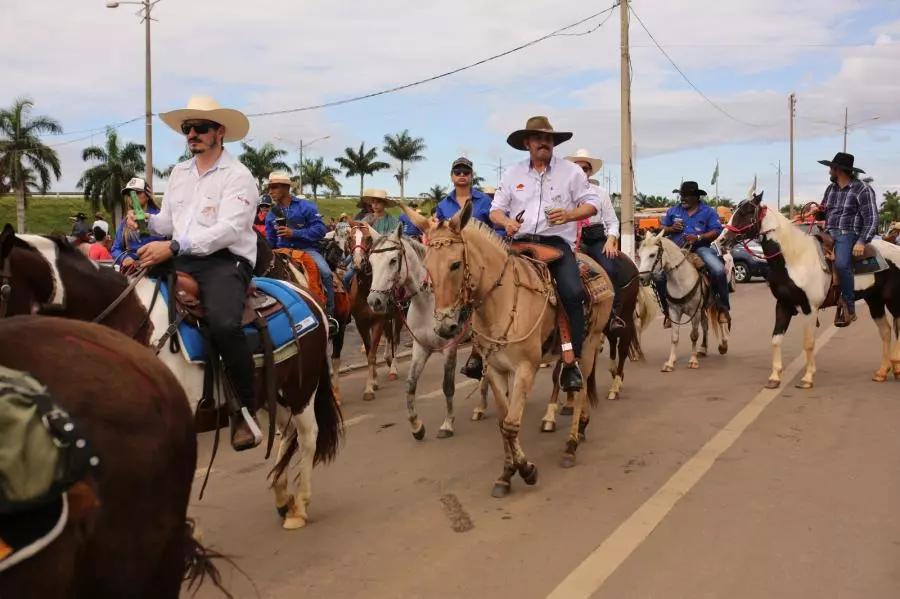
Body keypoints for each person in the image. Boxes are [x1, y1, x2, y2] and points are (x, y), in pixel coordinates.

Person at [127, 95, 261, 451]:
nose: (192, 134)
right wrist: (145, 223)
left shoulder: (239, 176)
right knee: (128, 295)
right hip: (183, 256)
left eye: (200, 128)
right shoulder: (180, 173)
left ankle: (245, 409)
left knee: (223, 323)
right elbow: (168, 223)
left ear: (220, 132)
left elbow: (230, 230)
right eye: (188, 129)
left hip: (225, 261)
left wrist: (171, 247)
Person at [489, 116, 601, 391]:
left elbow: (592, 203)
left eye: (548, 139)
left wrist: (570, 214)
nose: (544, 143)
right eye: (538, 138)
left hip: (555, 245)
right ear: (527, 143)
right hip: (518, 245)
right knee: (481, 286)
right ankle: (480, 354)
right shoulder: (512, 173)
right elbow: (495, 210)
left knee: (573, 293)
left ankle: (571, 361)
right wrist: (507, 222)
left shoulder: (571, 172)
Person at [434, 156, 502, 379]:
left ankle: (480, 349)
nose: (462, 175)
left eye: (466, 171)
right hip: (455, 261)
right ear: (452, 176)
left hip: (483, 260)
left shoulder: (486, 202)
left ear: (472, 176)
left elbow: (498, 229)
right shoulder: (443, 205)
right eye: (457, 171)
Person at [265, 171, 338, 333]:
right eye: (269, 188)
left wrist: (294, 233)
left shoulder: (306, 207)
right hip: (281, 252)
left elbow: (320, 229)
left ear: (286, 188)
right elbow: (270, 240)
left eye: (274, 187)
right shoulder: (271, 214)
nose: (270, 191)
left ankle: (329, 314)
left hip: (307, 250)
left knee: (326, 272)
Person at [654, 181, 730, 328]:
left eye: (686, 196)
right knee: (658, 277)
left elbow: (716, 230)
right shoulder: (673, 211)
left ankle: (723, 307)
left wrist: (699, 237)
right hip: (675, 250)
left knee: (718, 270)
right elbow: (661, 229)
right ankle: (667, 312)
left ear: (696, 197)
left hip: (700, 248)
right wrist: (670, 229)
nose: (682, 198)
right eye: (681, 195)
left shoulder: (708, 212)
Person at [816, 152, 879, 327]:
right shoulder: (831, 189)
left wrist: (861, 241)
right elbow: (823, 211)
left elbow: (872, 218)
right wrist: (816, 211)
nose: (829, 171)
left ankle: (849, 307)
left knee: (842, 264)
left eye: (831, 168)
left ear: (839, 170)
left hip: (848, 233)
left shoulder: (862, 189)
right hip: (828, 231)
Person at [565, 149, 624, 331]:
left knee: (610, 269)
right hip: (572, 239)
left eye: (585, 168)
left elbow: (612, 221)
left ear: (590, 172)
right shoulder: (564, 192)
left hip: (596, 238)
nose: (582, 171)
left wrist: (610, 239)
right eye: (578, 167)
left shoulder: (601, 193)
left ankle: (614, 315)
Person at [342, 189, 397, 292]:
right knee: (346, 277)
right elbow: (358, 236)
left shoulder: (393, 221)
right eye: (373, 202)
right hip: (366, 255)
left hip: (384, 257)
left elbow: (392, 241)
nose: (375, 205)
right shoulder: (366, 220)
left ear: (384, 204)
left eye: (378, 202)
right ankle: (346, 300)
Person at [111, 177, 167, 269]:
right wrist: (125, 258)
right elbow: (115, 249)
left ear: (147, 195)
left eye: (137, 192)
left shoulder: (161, 217)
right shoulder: (125, 222)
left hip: (158, 268)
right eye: (129, 194)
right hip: (133, 269)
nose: (132, 196)